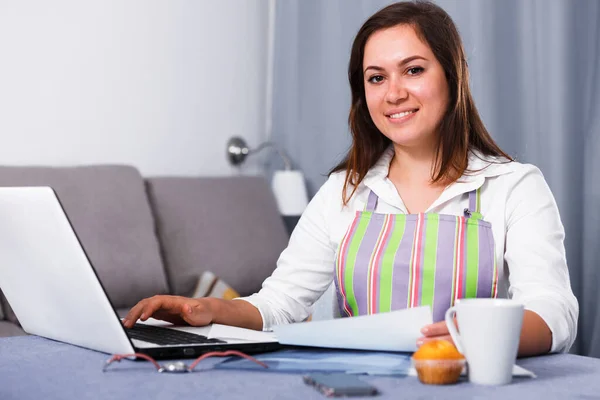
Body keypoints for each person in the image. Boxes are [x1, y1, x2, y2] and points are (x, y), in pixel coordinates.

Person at [123, 0, 578, 356]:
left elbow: (553, 312)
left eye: (414, 70)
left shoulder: (514, 187)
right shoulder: (346, 191)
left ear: (453, 76)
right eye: (376, 78)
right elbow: (280, 303)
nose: (394, 92)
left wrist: (477, 339)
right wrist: (203, 309)